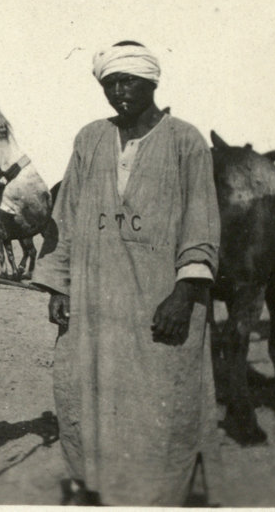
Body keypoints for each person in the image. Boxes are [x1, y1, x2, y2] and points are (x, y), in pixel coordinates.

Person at [31, 41, 222, 506]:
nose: (118, 91)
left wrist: (185, 293)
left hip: (160, 298)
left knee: (161, 398)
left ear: (152, 82)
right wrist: (58, 285)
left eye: (128, 81)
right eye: (109, 82)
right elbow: (68, 213)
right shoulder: (90, 139)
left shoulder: (185, 141)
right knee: (90, 392)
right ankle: (102, 490)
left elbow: (201, 221)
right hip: (96, 301)